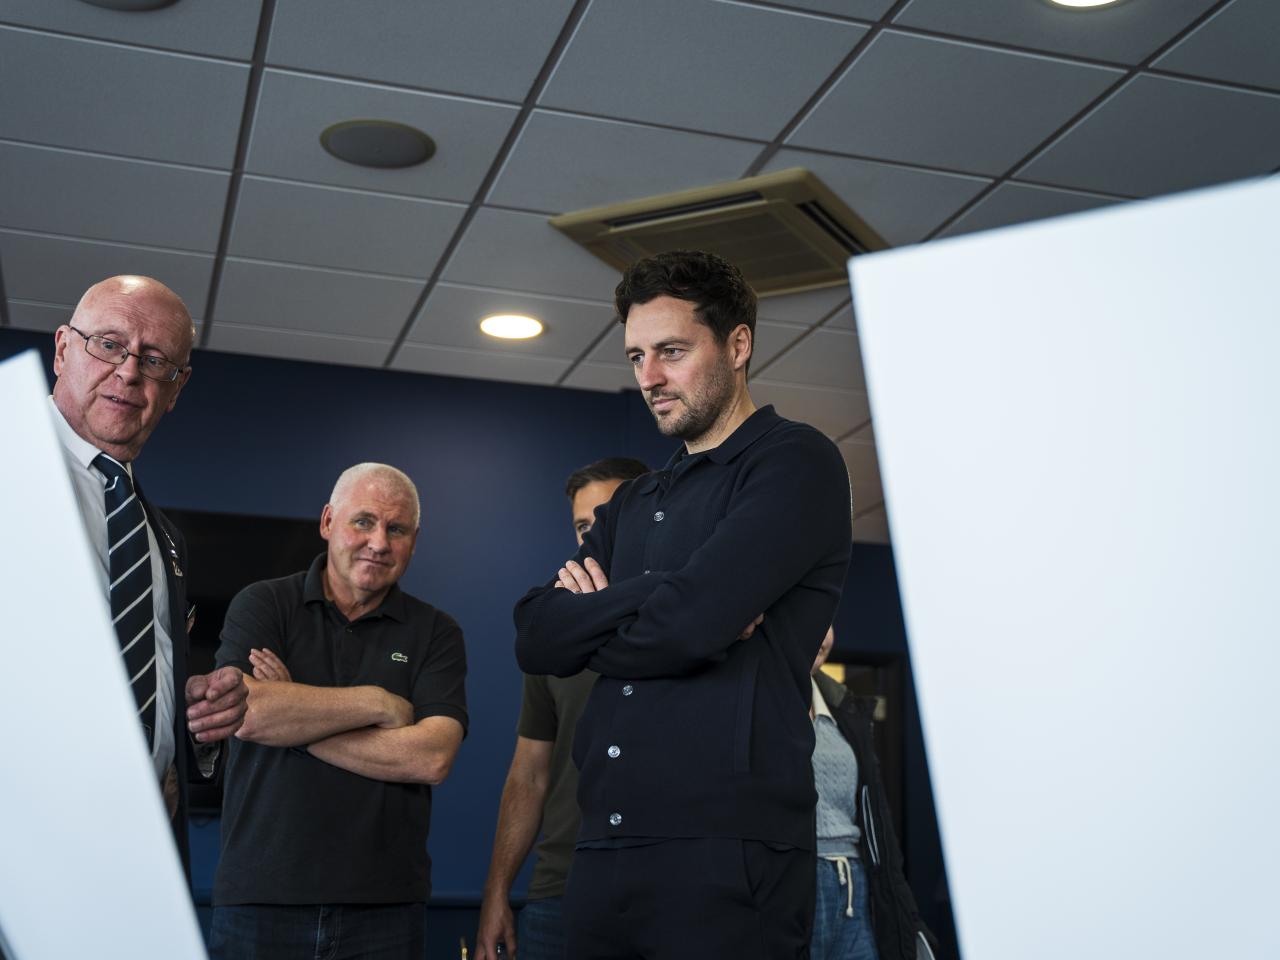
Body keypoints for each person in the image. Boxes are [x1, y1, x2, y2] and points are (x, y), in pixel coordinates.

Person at [514, 250, 853, 959]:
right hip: (602, 851)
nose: (649, 378)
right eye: (637, 355)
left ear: (738, 344)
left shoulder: (796, 462)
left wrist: (619, 613)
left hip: (725, 859)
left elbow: (692, 626)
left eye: (671, 351)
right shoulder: (635, 499)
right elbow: (538, 635)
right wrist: (674, 595)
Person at [208, 463, 467, 960]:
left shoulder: (436, 632)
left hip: (385, 909)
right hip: (261, 901)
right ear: (328, 522)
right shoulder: (264, 604)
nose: (379, 542)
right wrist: (378, 703)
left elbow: (431, 757)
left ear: (415, 539)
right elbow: (246, 714)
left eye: (397, 529)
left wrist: (295, 716)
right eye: (363, 521)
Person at [49, 274, 248, 872]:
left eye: (155, 359)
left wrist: (184, 715)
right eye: (108, 344)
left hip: (137, 856)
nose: (130, 372)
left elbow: (127, 671)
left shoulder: (160, 536)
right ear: (63, 349)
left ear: (176, 387)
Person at [476, 457, 650, 960]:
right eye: (582, 526)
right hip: (562, 889)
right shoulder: (551, 640)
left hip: (669, 888)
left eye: (608, 517)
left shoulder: (688, 616)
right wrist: (495, 894)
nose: (593, 536)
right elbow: (528, 775)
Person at [810, 629, 939, 960]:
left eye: (828, 623)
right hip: (793, 882)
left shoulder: (844, 710)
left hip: (857, 882)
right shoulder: (756, 703)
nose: (821, 638)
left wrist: (906, 913)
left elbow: (877, 821)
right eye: (811, 617)